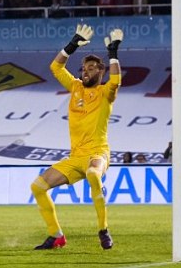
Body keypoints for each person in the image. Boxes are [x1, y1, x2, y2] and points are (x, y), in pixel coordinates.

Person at [31, 24, 123, 250]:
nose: (86, 71)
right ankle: (56, 236)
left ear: (100, 71)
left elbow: (116, 81)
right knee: (38, 186)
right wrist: (72, 45)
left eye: (91, 68)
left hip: (97, 153)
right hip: (75, 157)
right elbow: (55, 67)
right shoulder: (75, 87)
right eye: (84, 68)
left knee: (93, 173)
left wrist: (113, 55)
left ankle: (103, 230)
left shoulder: (104, 93)